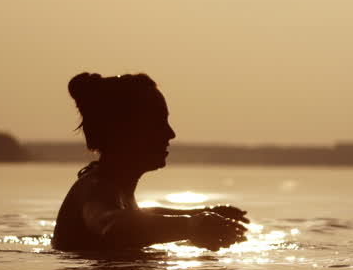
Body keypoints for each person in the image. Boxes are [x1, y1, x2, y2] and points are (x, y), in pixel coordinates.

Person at [51, 72, 249, 251]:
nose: (170, 134)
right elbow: (111, 224)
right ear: (123, 131)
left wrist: (202, 213)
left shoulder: (114, 187)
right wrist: (191, 225)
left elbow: (137, 213)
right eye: (158, 123)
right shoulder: (97, 188)